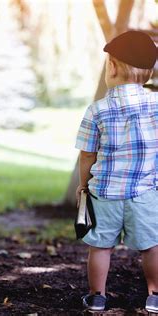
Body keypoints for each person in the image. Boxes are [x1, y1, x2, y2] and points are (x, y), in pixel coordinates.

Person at [75, 30, 158, 312]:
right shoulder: (157, 106)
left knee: (100, 247)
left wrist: (83, 185)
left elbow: (87, 154)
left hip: (105, 194)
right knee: (152, 245)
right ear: (148, 72)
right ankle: (154, 296)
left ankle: (97, 297)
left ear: (111, 67)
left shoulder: (96, 110)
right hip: (146, 192)